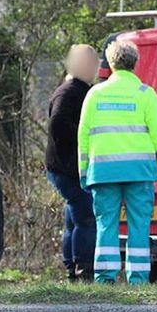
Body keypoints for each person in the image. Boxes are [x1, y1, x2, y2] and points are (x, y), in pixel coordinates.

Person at [78, 40, 157, 284]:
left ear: (110, 63)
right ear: (135, 63)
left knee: (106, 225)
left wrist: (83, 171)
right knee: (139, 226)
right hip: (139, 172)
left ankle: (105, 277)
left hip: (103, 171)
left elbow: (84, 136)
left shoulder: (94, 94)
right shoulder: (145, 95)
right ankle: (138, 278)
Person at [45, 45, 100, 281]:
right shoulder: (70, 92)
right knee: (86, 217)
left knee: (73, 218)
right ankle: (83, 268)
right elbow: (57, 123)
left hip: (64, 167)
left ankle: (71, 267)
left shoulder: (76, 90)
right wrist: (83, 138)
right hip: (67, 168)